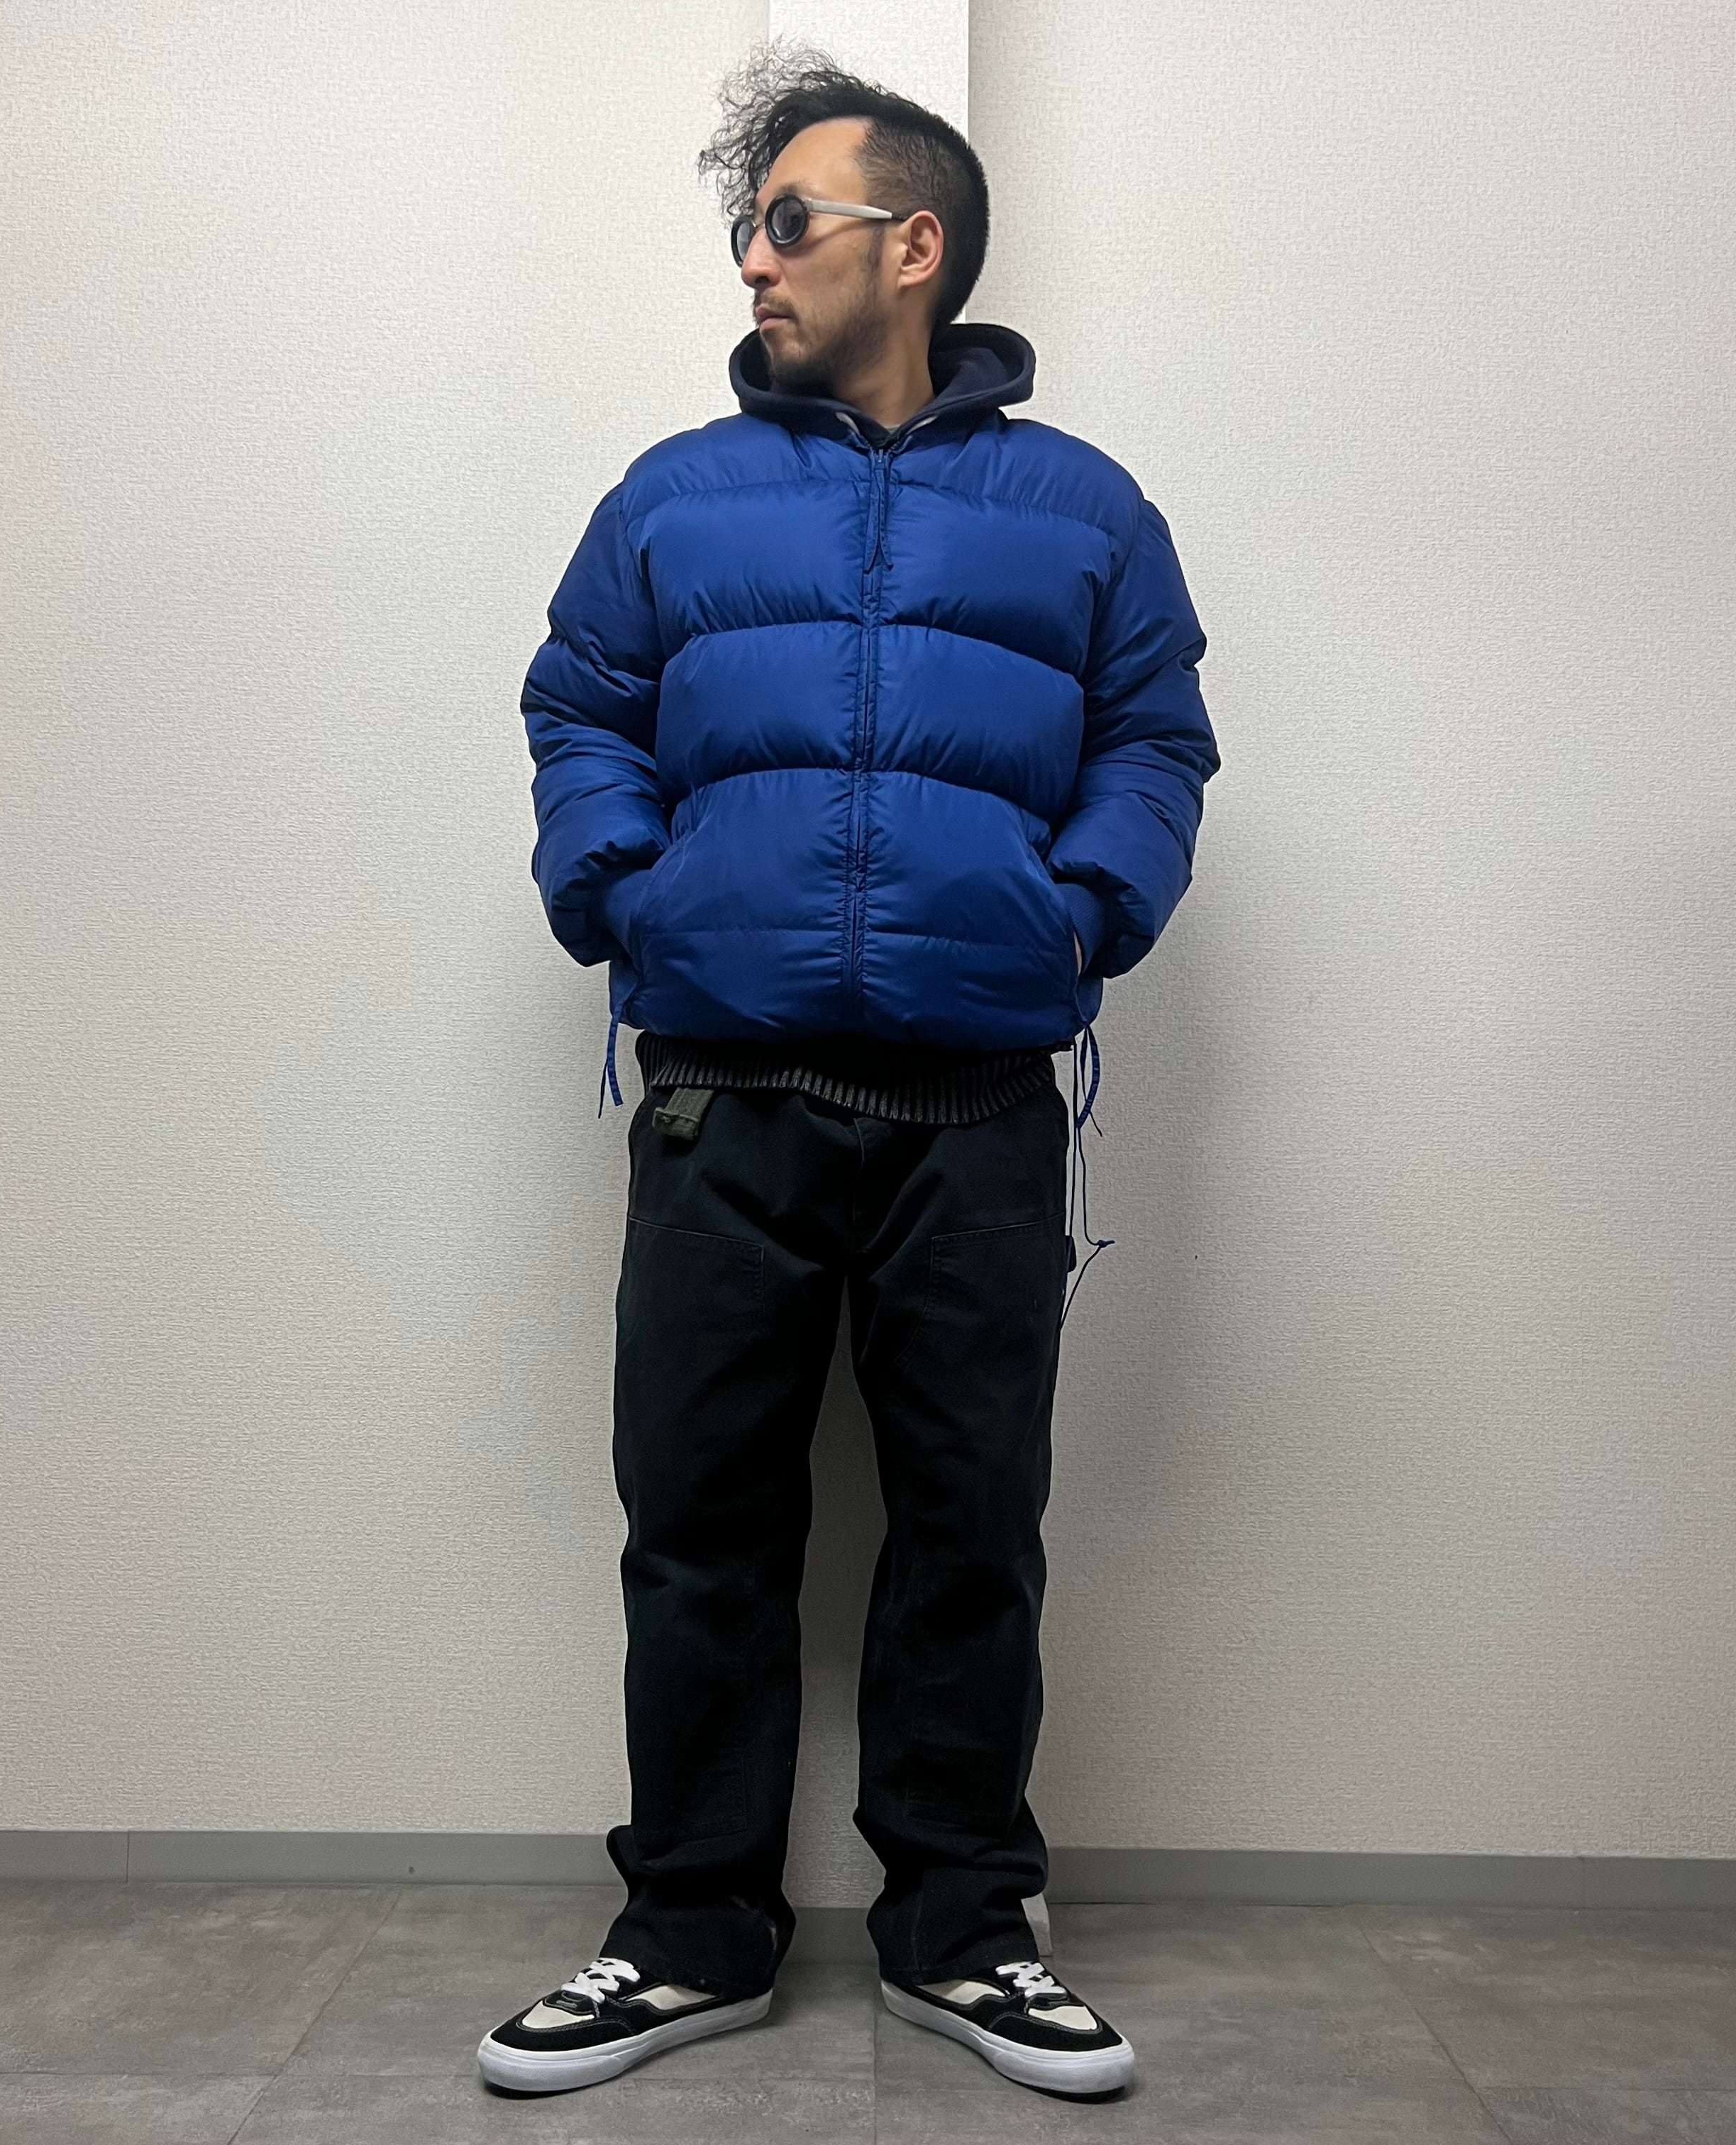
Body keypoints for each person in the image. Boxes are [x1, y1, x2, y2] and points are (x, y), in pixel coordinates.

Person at [480, 44, 1218, 2102]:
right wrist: (624, 886)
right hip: (722, 1100)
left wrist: (1080, 913)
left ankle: (965, 1931)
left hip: (978, 1115)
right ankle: (686, 1934)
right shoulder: (673, 497)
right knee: (699, 1526)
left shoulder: (1084, 513)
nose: (753, 259)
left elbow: (1156, 740)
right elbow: (577, 710)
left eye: (786, 220)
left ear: (916, 245)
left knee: (972, 1529)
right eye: (749, 226)